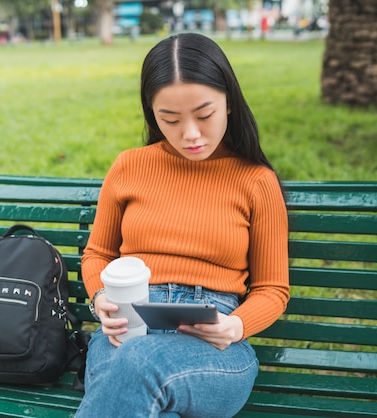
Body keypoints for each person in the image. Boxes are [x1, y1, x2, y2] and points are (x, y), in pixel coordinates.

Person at [76, 33, 290, 418]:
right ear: (151, 113)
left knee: (140, 364)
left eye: (204, 115)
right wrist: (99, 298)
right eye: (169, 119)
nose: (190, 134)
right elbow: (98, 255)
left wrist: (236, 326)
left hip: (214, 347)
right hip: (127, 327)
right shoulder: (129, 167)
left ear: (230, 104)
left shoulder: (256, 181)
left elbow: (272, 289)